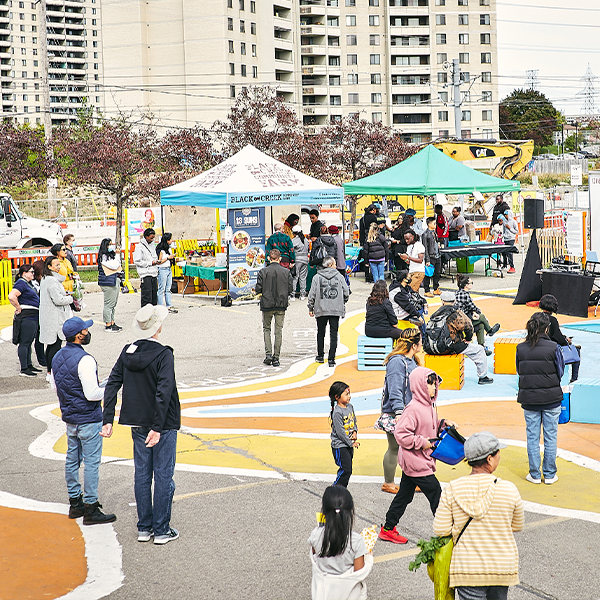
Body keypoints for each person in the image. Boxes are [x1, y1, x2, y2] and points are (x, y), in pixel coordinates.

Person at [102, 304, 181, 544]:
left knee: (142, 474)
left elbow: (112, 383)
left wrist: (108, 419)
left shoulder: (127, 352)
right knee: (164, 474)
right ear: (158, 328)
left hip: (137, 421)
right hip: (162, 423)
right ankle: (162, 529)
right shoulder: (164, 354)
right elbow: (164, 391)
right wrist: (158, 427)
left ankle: (144, 527)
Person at [433, 432, 524, 600]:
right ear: (489, 459)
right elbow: (517, 525)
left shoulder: (452, 489)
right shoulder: (508, 488)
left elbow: (440, 529)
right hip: (501, 567)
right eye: (498, 453)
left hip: (467, 568)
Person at [379, 367, 457, 544]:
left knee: (404, 496)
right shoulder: (413, 408)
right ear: (419, 386)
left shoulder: (429, 406)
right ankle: (446, 534)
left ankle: (388, 528)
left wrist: (443, 423)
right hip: (416, 462)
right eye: (429, 383)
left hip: (417, 461)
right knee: (436, 493)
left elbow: (429, 425)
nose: (433, 387)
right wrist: (422, 442)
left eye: (434, 383)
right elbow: (401, 434)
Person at [51, 317, 116, 525]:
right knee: (91, 463)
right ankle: (91, 506)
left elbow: (56, 387)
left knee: (72, 459)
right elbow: (92, 393)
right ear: (79, 335)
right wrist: (111, 390)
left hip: (71, 418)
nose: (88, 332)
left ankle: (75, 502)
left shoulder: (57, 356)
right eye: (85, 330)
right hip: (89, 418)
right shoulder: (86, 359)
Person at [516, 312, 564, 485]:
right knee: (551, 436)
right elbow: (560, 372)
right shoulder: (553, 347)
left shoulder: (520, 348)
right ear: (546, 328)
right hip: (551, 398)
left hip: (529, 399)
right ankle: (550, 474)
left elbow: (519, 370)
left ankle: (535, 474)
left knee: (532, 437)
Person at [308, 486, 372, 600]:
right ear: (350, 511)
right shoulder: (356, 541)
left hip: (322, 593)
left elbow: (315, 556)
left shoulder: (315, 535)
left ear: (324, 510)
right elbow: (359, 573)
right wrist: (369, 557)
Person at [379, 328, 422, 494]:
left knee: (412, 448)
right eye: (420, 341)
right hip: (398, 413)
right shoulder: (397, 362)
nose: (422, 344)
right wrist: (399, 413)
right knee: (395, 447)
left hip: (411, 411)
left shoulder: (413, 361)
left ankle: (413, 481)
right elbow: (395, 389)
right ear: (413, 345)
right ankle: (388, 483)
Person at [424, 291, 494, 385]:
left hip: (432, 347)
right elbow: (469, 327)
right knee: (479, 350)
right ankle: (483, 377)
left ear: (442, 301)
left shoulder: (435, 314)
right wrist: (468, 339)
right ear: (454, 301)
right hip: (451, 347)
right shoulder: (456, 313)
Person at [308, 256, 349, 367]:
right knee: (333, 334)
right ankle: (331, 359)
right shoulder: (339, 276)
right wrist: (342, 302)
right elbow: (346, 292)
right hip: (335, 309)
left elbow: (312, 294)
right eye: (335, 264)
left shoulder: (317, 277)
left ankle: (320, 356)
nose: (336, 266)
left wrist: (310, 307)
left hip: (321, 308)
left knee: (321, 332)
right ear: (330, 265)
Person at [39, 255, 75, 381]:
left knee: (51, 345)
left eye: (59, 264)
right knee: (55, 346)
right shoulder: (52, 281)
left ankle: (50, 372)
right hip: (54, 317)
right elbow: (58, 299)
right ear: (49, 267)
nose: (58, 267)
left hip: (49, 316)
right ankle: (51, 372)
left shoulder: (46, 279)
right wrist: (71, 298)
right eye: (56, 265)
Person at [255, 248, 293, 367]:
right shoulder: (286, 272)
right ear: (280, 258)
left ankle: (268, 354)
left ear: (268, 258)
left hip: (267, 303)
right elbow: (291, 289)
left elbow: (258, 289)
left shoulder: (263, 271)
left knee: (267, 329)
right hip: (281, 304)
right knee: (278, 331)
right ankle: (276, 357)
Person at [9, 264, 45, 376]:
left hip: (33, 316)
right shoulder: (21, 282)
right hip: (27, 316)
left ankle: (29, 365)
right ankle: (24, 368)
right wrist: (18, 307)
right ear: (24, 273)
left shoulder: (28, 284)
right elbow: (12, 296)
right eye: (31, 272)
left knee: (29, 342)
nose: (33, 274)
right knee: (25, 343)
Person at [539, 294, 580, 383]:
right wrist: (566, 340)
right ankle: (574, 378)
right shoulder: (552, 320)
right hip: (550, 349)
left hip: (537, 345)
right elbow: (558, 338)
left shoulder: (536, 317)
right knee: (576, 350)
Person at [455, 274, 500, 353]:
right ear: (466, 285)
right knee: (481, 317)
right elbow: (473, 307)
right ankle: (489, 330)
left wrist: (473, 312)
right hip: (463, 322)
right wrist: (479, 314)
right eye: (471, 283)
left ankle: (482, 347)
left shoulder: (459, 293)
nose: (472, 284)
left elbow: (468, 307)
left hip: (462, 319)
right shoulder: (465, 295)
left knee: (480, 325)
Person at [329, 381, 358, 488]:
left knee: (347, 470)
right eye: (346, 394)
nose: (349, 396)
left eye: (349, 394)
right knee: (346, 469)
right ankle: (335, 489)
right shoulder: (337, 412)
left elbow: (354, 420)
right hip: (340, 446)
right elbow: (340, 432)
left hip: (348, 444)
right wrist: (350, 443)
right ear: (337, 397)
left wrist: (355, 431)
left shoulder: (350, 407)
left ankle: (342, 490)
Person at [97, 238, 123, 332]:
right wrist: (117, 255)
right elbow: (115, 266)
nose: (111, 246)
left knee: (113, 303)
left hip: (113, 280)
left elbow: (118, 264)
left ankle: (112, 322)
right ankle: (108, 325)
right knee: (109, 304)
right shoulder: (103, 257)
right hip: (107, 282)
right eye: (110, 244)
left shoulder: (109, 255)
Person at [134, 228, 159, 307]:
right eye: (151, 238)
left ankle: (153, 315)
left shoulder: (152, 246)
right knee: (147, 297)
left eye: (153, 238)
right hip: (145, 274)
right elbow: (137, 261)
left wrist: (156, 262)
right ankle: (145, 315)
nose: (152, 239)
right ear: (146, 236)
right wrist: (150, 263)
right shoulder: (139, 247)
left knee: (154, 297)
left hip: (153, 273)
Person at [156, 233, 178, 314]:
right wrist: (168, 258)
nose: (171, 241)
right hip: (162, 269)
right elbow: (159, 262)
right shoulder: (161, 250)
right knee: (161, 289)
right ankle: (160, 307)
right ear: (167, 240)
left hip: (169, 269)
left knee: (168, 289)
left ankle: (169, 305)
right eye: (170, 239)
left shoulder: (169, 249)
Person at [422, 217, 441, 297]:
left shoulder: (434, 233)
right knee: (428, 274)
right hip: (431, 256)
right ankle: (427, 290)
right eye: (434, 223)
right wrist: (427, 259)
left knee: (437, 273)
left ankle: (436, 288)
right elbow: (425, 248)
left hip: (437, 255)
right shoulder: (425, 234)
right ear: (429, 224)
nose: (435, 225)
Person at [291, 225, 309, 301]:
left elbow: (291, 250)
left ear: (294, 233)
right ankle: (302, 294)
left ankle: (292, 295)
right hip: (305, 260)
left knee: (295, 277)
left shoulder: (294, 240)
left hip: (297, 260)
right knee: (303, 278)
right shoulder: (306, 240)